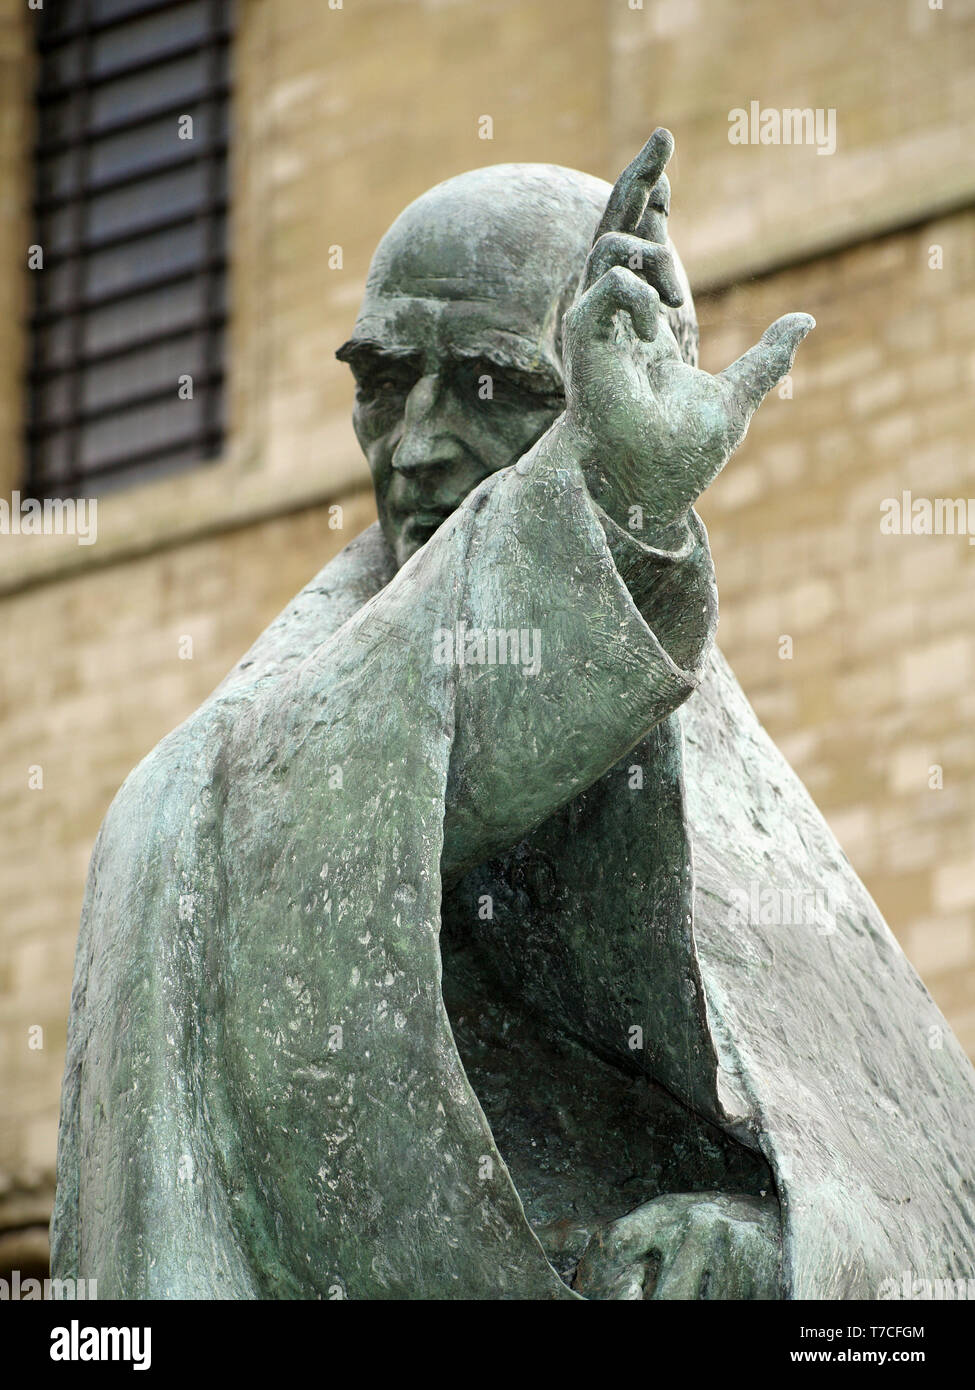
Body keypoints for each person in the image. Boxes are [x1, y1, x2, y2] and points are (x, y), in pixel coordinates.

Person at [53, 131, 975, 1300]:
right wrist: (605, 501)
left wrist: (769, 1250)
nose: (419, 446)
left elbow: (925, 1222)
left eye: (496, 384)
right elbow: (372, 756)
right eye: (384, 385)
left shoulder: (760, 828)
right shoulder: (216, 788)